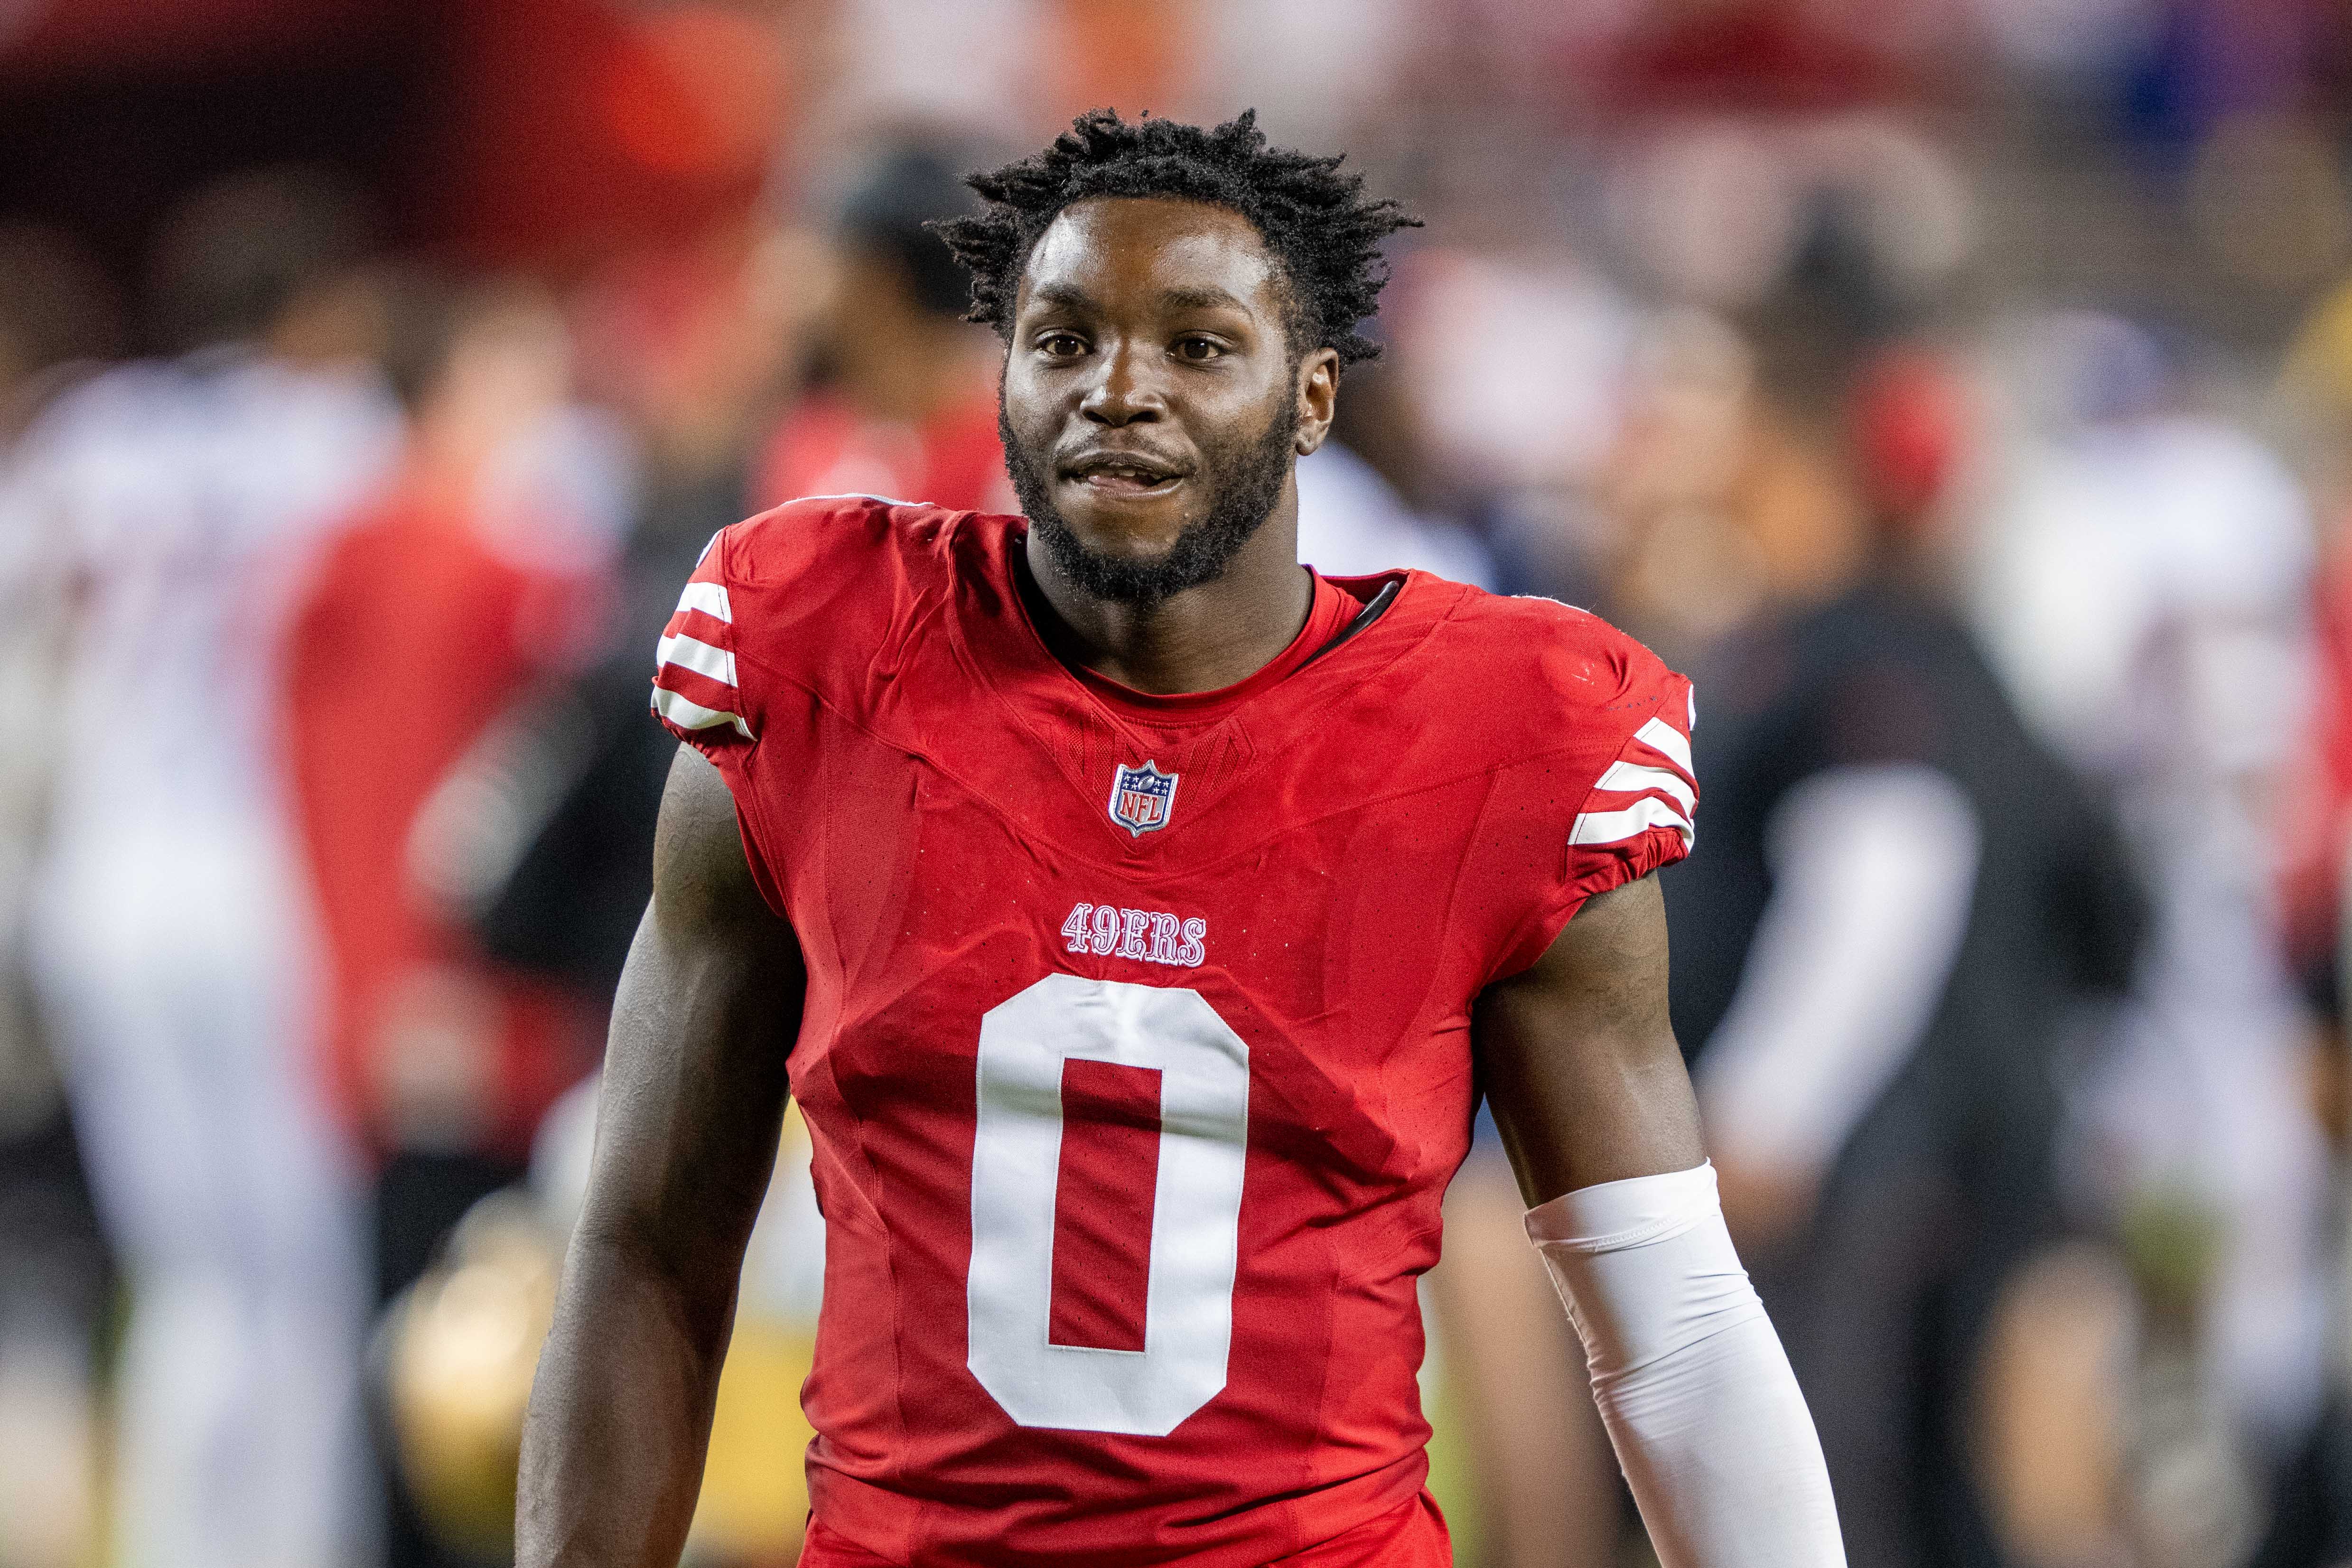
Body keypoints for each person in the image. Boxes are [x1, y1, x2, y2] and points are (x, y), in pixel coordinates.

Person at [517, 110, 1844, 1568]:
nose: (1119, 392)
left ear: (1312, 396)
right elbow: (648, 1245)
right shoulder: (819, 664)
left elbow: (1670, 1318)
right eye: (1064, 339)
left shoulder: (1506, 737)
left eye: (1199, 347)